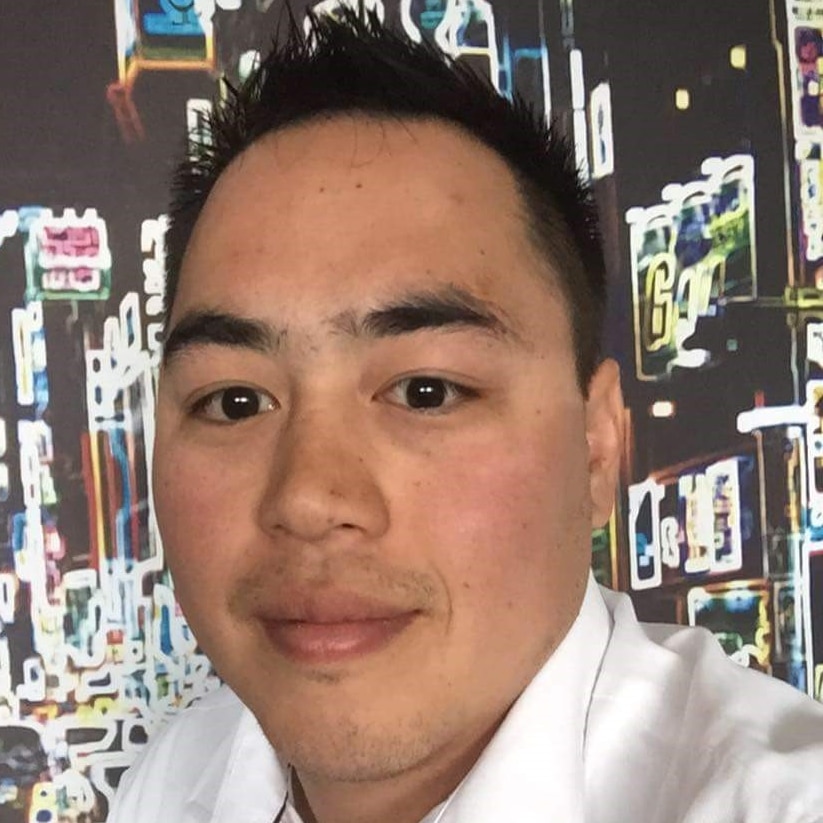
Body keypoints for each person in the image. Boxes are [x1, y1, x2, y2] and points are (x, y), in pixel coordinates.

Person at [108, 9, 823, 823]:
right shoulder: (175, 781)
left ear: (595, 446)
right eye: (235, 401)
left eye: (426, 391)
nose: (307, 498)